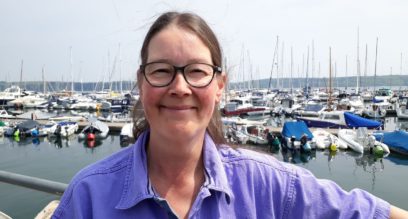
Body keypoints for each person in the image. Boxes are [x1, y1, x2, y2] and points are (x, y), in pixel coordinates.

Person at [52, 11, 408, 219]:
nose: (179, 87)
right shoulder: (89, 196)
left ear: (219, 85)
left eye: (196, 71)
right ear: (141, 83)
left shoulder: (267, 185)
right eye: (161, 70)